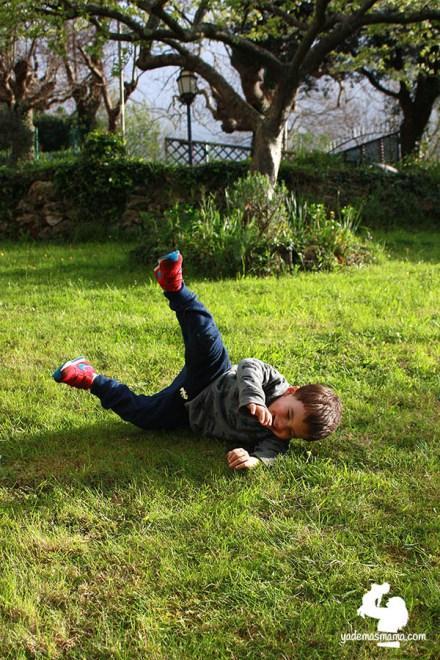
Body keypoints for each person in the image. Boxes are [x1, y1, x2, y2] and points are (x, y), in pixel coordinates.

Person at [53, 250, 342, 470]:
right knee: (205, 336)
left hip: (189, 411)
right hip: (213, 376)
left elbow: (271, 452)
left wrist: (251, 459)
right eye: (288, 415)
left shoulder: (276, 439)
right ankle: (175, 287)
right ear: (292, 393)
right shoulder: (274, 384)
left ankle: (90, 378)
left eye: (292, 432)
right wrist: (253, 398)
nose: (281, 426)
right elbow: (249, 365)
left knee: (146, 416)